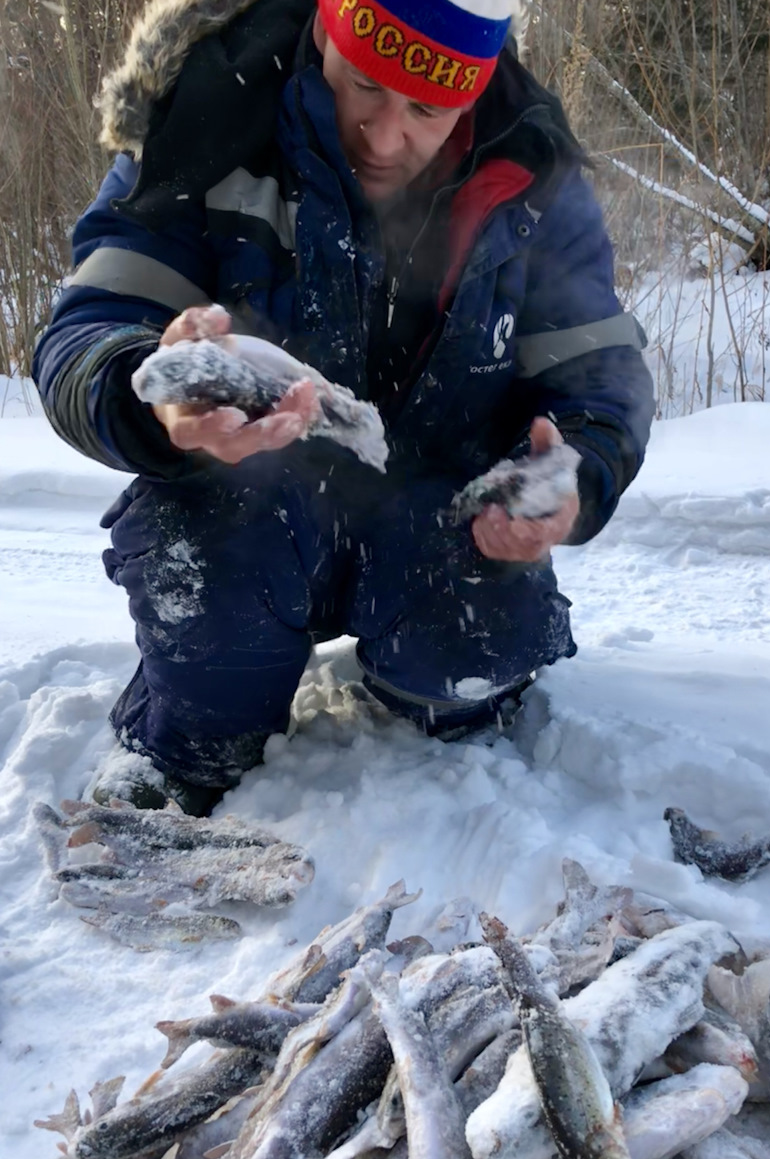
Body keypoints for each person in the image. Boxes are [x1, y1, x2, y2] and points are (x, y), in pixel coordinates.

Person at [32, 0, 654, 816]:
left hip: (444, 515)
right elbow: (85, 331)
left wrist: (575, 469)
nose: (384, 135)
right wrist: (148, 390)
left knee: (474, 666)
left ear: (471, 94)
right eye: (365, 83)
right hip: (241, 504)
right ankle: (189, 733)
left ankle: (435, 698)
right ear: (328, 31)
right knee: (209, 683)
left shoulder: (535, 174)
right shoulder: (207, 122)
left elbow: (599, 377)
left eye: (427, 108)